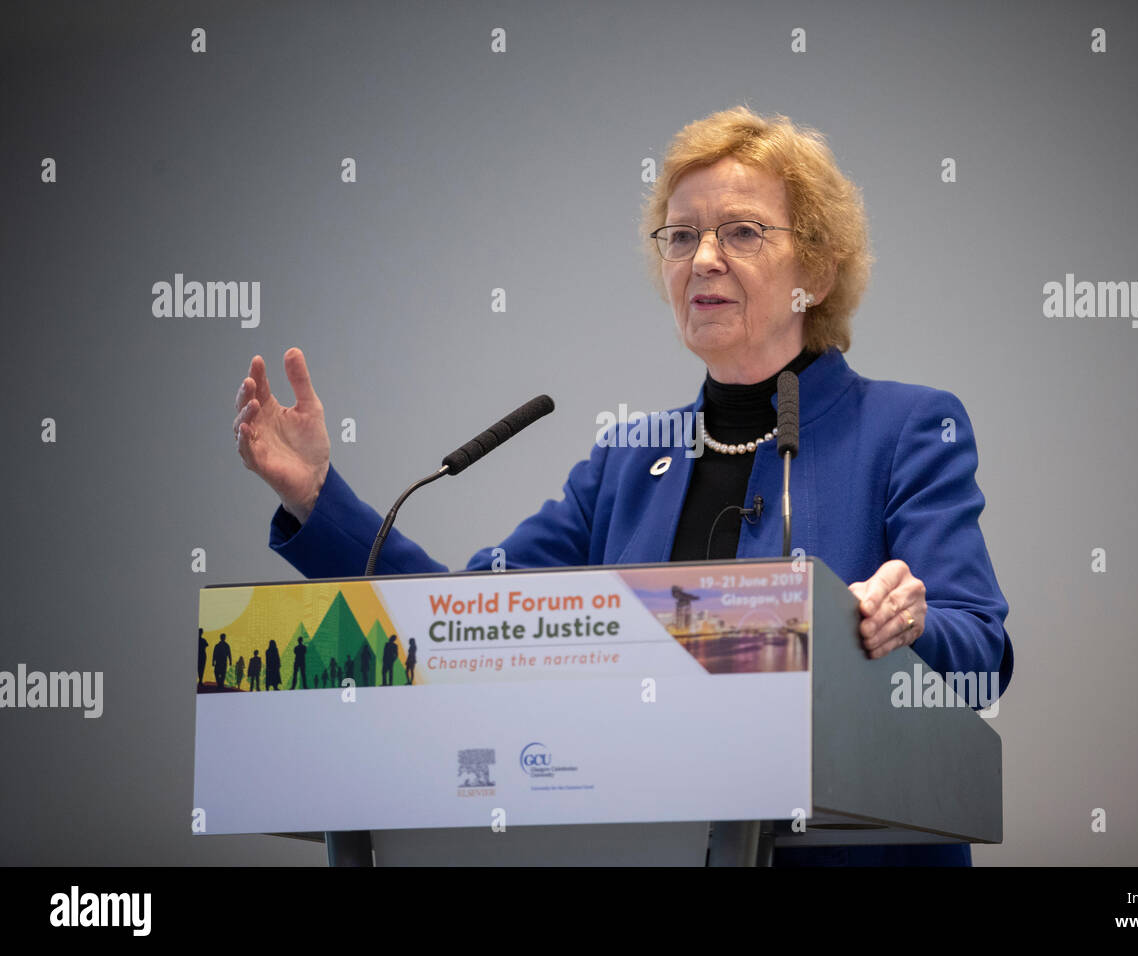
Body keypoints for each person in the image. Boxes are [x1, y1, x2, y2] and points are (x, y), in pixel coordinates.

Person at [231, 106, 1013, 866]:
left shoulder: (906, 428)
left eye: (740, 232)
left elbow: (982, 654)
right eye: (682, 236)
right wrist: (316, 496)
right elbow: (456, 626)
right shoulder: (628, 461)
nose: (703, 258)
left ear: (815, 266)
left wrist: (907, 627)